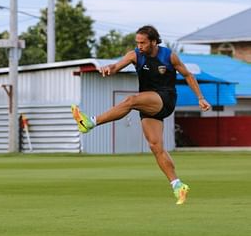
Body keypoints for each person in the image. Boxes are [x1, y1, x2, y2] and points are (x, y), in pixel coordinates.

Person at [71, 25, 211, 205]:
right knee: (155, 147)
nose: (139, 46)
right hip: (148, 103)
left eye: (143, 42)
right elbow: (116, 66)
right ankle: (178, 185)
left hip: (165, 99)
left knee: (131, 100)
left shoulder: (168, 56)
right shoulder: (134, 55)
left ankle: (90, 122)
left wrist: (200, 98)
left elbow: (188, 75)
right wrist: (109, 69)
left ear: (154, 41)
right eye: (137, 42)